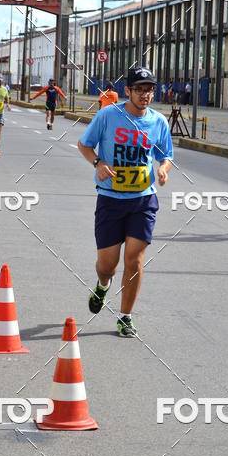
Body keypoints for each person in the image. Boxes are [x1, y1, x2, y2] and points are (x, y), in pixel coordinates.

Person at [77, 65, 173, 338]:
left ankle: (125, 317)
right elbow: (84, 144)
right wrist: (98, 163)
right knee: (108, 265)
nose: (145, 95)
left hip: (143, 200)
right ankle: (103, 284)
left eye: (149, 89)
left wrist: (164, 168)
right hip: (110, 199)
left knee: (135, 261)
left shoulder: (158, 122)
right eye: (140, 89)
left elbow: (166, 154)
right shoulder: (108, 115)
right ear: (127, 91)